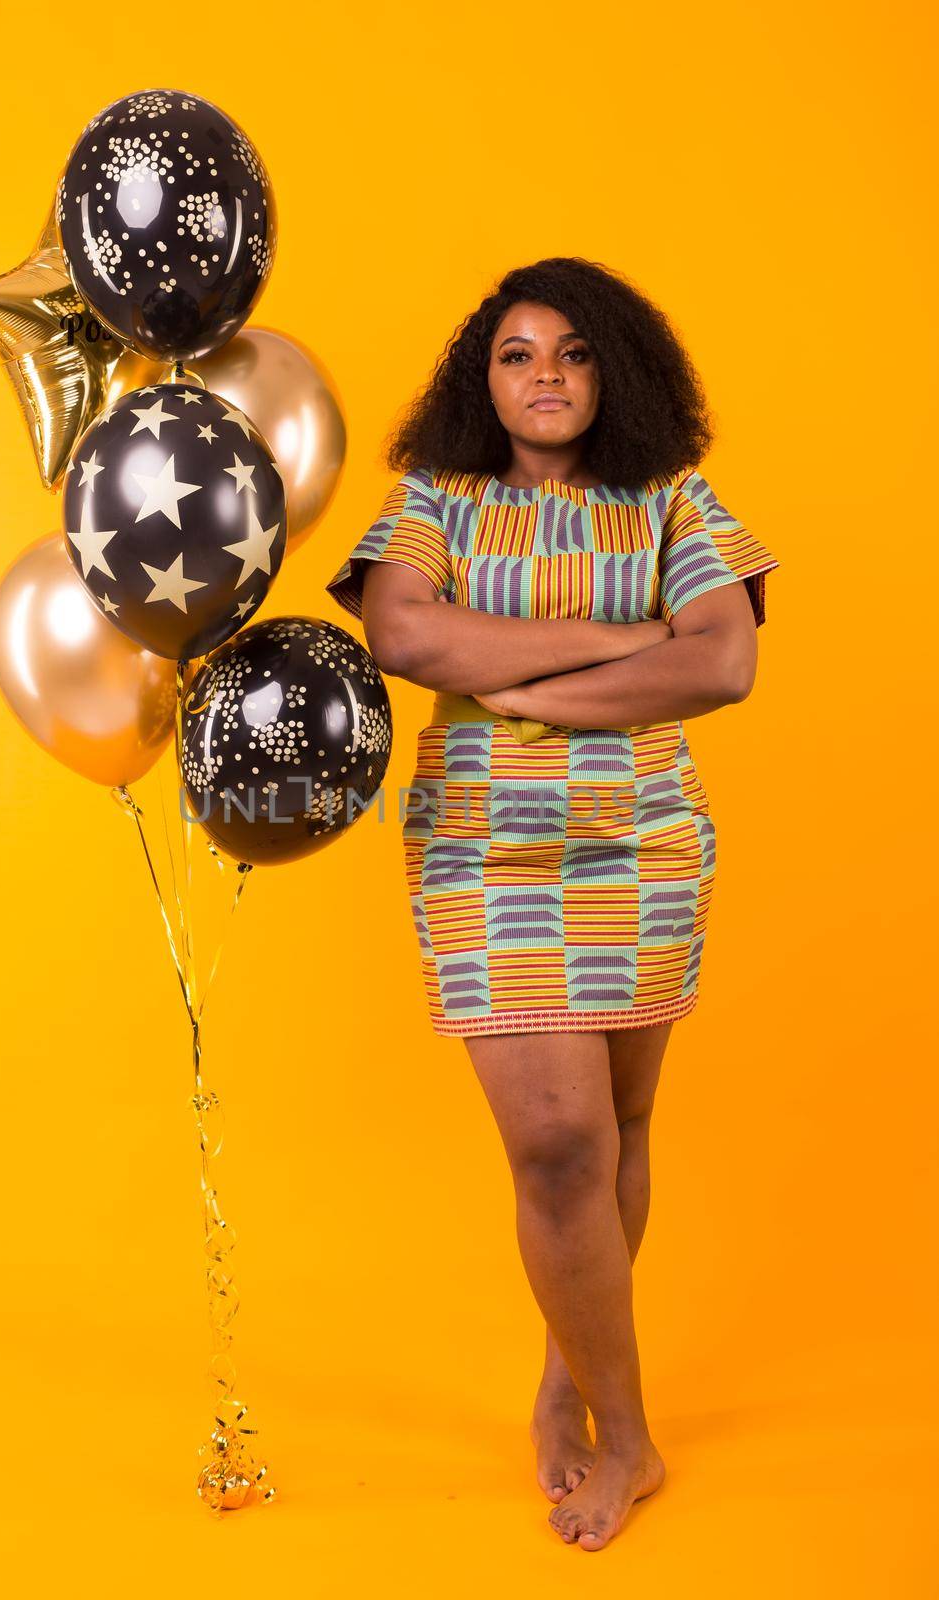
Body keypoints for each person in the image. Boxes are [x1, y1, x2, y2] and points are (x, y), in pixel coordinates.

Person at [323, 256, 779, 1552]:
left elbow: (727, 661)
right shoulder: (435, 501)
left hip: (639, 849)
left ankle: (565, 1385)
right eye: (518, 354)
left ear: (614, 368)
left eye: (573, 353)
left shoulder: (670, 501)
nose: (545, 379)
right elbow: (408, 641)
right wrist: (636, 646)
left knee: (621, 1129)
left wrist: (513, 681)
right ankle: (627, 1439)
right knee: (559, 1147)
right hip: (483, 850)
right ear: (485, 376)